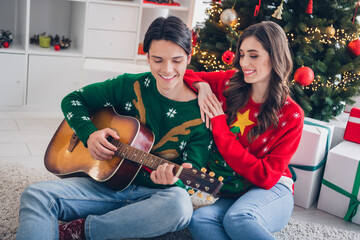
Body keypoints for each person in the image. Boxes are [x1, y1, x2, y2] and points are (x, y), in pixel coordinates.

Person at [16, 16, 214, 240]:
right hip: (102, 183)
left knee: (180, 206)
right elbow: (72, 100)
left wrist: (172, 180)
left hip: (152, 198)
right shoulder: (129, 85)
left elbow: (190, 176)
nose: (167, 69)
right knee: (36, 195)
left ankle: (84, 231)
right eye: (158, 60)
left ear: (189, 57)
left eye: (177, 60)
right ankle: (118, 222)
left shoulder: (201, 114)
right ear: (147, 57)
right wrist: (89, 134)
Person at [184, 21, 305, 240]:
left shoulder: (291, 115)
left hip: (271, 190)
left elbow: (265, 177)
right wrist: (202, 86)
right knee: (199, 220)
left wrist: (220, 125)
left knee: (240, 218)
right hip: (231, 190)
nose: (244, 62)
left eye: (254, 55)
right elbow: (183, 73)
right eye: (241, 54)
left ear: (275, 57)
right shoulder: (229, 82)